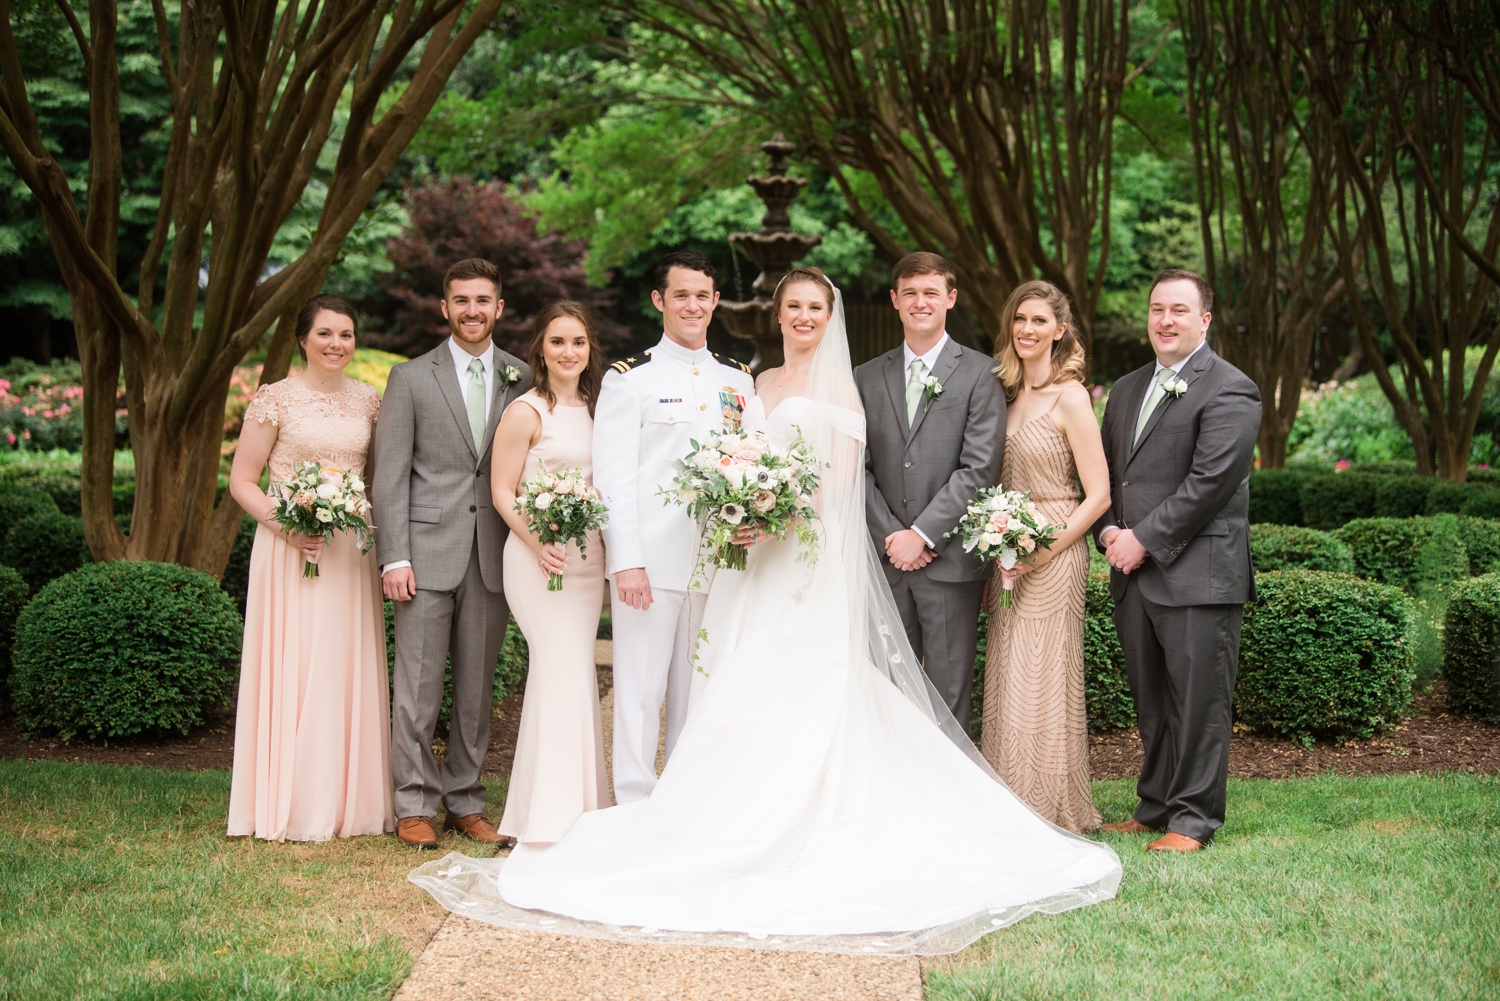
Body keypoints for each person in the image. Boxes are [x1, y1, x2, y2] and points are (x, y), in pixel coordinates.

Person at [413, 268, 1121, 956]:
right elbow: (738, 458)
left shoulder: (842, 385)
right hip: (751, 562)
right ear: (777, 314)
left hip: (808, 565)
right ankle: (692, 813)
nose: (804, 318)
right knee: (732, 682)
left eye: (816, 307)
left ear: (828, 315)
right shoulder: (752, 382)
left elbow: (842, 485)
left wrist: (779, 512)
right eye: (793, 307)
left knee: (801, 686)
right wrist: (742, 509)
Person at [1093, 268, 1261, 853]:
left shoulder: (1231, 388)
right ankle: (1156, 804)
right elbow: (1113, 476)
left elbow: (1210, 483)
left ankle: (1193, 820)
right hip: (1134, 574)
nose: (1166, 320)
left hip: (1198, 575)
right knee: (1153, 701)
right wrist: (1111, 529)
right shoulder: (1127, 387)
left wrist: (1142, 538)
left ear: (1204, 320)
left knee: (1199, 704)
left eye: (1180, 311)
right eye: (1158, 309)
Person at [371, 258, 532, 850]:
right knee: (416, 688)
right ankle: (412, 804)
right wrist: (394, 557)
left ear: (499, 308)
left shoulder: (523, 376)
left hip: (492, 554)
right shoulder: (410, 378)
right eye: (461, 300)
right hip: (424, 553)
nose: (472, 310)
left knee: (476, 688)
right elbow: (389, 476)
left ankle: (465, 800)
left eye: (482, 300)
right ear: (445, 308)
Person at [226, 294, 391, 842]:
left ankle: (349, 802)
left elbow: (374, 480)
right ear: (303, 339)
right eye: (325, 334)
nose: (336, 344)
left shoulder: (370, 401)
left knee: (343, 661)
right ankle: (288, 799)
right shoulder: (275, 400)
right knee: (295, 660)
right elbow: (242, 481)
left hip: (349, 551)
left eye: (345, 334)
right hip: (289, 548)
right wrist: (287, 527)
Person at [592, 251, 755, 804]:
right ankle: (636, 801)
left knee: (700, 690)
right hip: (652, 564)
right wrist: (626, 560)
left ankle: (683, 800)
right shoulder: (629, 380)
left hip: (719, 563)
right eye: (680, 295)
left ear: (715, 302)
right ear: (659, 301)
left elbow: (749, 464)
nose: (693, 305)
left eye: (702, 295)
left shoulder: (737, 380)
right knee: (639, 689)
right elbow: (613, 480)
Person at [981, 281, 1111, 834]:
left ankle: (1047, 805)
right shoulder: (1006, 395)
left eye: (1039, 321)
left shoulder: (1071, 396)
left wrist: (1041, 552)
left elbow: (1099, 495)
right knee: (1008, 674)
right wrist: (1003, 547)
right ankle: (1005, 797)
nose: (1027, 330)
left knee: (1043, 676)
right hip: (1006, 551)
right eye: (1020, 320)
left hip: (1054, 554)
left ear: (1060, 330)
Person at [854, 252, 1005, 722]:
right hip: (884, 563)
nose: (921, 302)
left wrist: (920, 535)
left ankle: (948, 791)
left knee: (947, 693)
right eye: (911, 293)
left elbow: (979, 468)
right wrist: (892, 538)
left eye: (931, 293)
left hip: (950, 562)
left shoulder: (982, 373)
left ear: (950, 299)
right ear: (895, 300)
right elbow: (854, 468)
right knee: (884, 688)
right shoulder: (865, 376)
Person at [490, 301, 610, 844]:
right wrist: (540, 543)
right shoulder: (526, 410)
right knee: (558, 668)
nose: (569, 352)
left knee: (573, 673)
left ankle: (580, 808)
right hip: (536, 561)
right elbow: (501, 492)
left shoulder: (600, 406)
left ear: (590, 349)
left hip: (586, 564)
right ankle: (549, 817)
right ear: (540, 347)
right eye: (558, 341)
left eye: (578, 342)